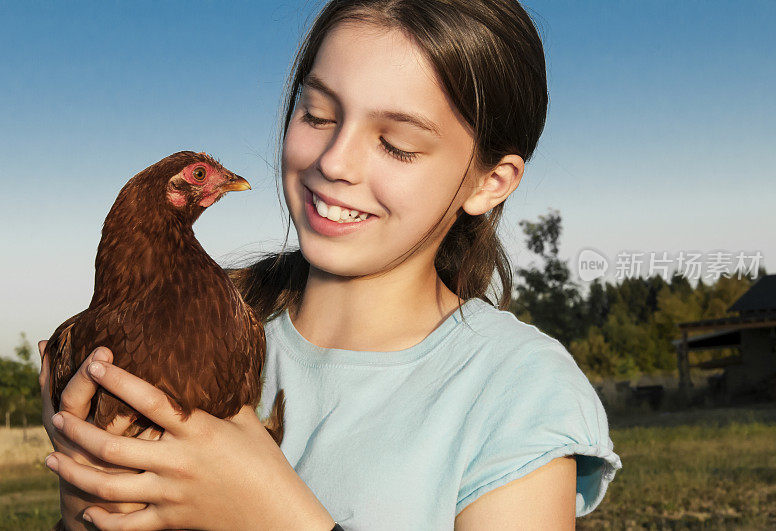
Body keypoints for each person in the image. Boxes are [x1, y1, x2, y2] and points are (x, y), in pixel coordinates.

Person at [38, 0, 622, 529]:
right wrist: (84, 513)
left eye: (396, 144)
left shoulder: (518, 390)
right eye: (316, 115)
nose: (335, 162)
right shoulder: (176, 336)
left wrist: (275, 518)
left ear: (491, 183)